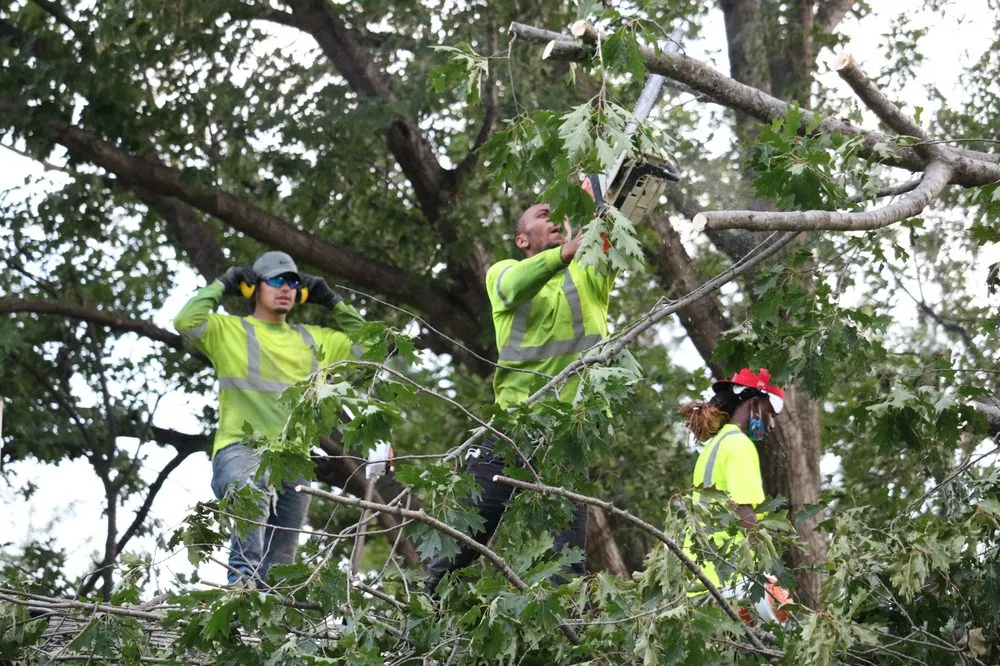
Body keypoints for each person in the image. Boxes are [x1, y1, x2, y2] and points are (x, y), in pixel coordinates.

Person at [425, 186, 614, 592]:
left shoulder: (589, 274)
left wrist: (596, 195)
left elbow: (609, 230)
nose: (557, 219)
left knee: (567, 562)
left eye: (561, 216)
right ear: (522, 239)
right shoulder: (503, 273)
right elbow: (514, 286)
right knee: (462, 544)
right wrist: (564, 254)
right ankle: (422, 629)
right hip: (512, 429)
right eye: (545, 214)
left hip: (567, 436)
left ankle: (564, 639)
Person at [173, 250, 365, 587]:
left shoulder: (315, 340)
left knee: (280, 569)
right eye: (276, 280)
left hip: (295, 462)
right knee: (251, 492)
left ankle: (266, 625)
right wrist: (223, 284)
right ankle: (240, 592)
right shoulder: (228, 331)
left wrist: (332, 301)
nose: (286, 287)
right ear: (253, 288)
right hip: (241, 451)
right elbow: (185, 322)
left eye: (293, 281)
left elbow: (377, 346)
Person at [680, 367, 791, 624]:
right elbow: (745, 514)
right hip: (732, 579)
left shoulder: (713, 447)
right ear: (754, 404)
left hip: (700, 578)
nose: (770, 424)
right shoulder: (740, 446)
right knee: (789, 623)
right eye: (769, 414)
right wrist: (770, 569)